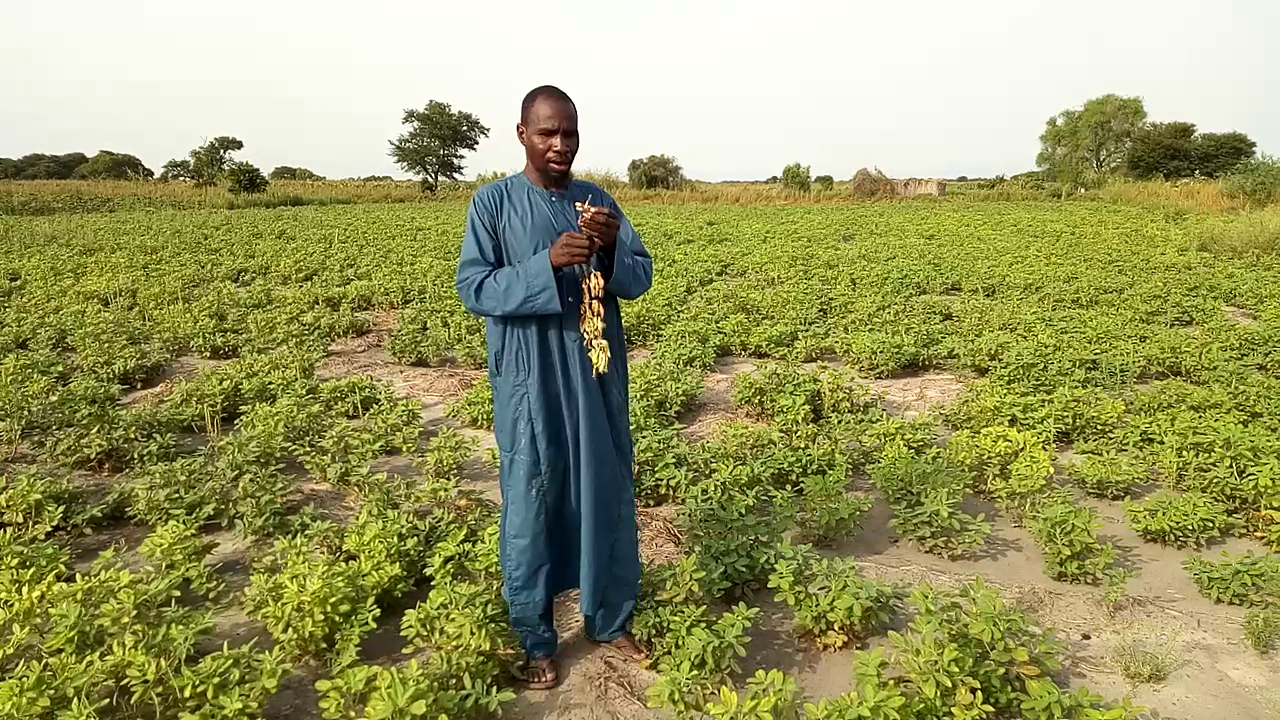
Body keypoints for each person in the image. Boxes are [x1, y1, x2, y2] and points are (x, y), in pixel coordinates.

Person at [454, 84, 654, 690]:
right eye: (547, 132)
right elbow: (476, 289)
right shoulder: (493, 205)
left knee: (605, 487)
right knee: (532, 496)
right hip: (529, 377)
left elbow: (640, 278)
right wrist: (546, 265)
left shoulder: (597, 201)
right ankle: (538, 637)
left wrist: (615, 245)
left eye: (570, 132)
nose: (560, 144)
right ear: (522, 135)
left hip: (594, 373)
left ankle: (610, 616)